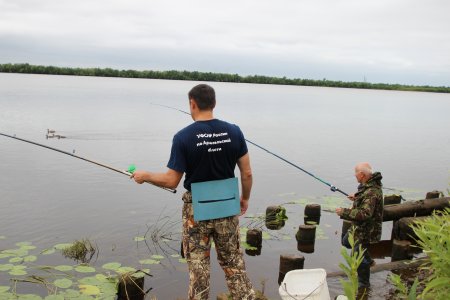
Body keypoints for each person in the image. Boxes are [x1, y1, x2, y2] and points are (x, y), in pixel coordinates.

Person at [131, 84, 256, 300]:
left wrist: (145, 176)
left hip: (196, 210)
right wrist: (244, 198)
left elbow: (171, 181)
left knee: (199, 270)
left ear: (192, 103)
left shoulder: (183, 137)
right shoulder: (235, 131)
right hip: (227, 205)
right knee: (234, 264)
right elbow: (247, 174)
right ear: (214, 103)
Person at [335, 162, 383, 290]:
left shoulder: (372, 191)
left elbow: (365, 213)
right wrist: (357, 197)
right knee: (345, 242)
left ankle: (364, 285)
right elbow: (365, 197)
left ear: (362, 174)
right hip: (359, 227)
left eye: (355, 173)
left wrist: (344, 212)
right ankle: (370, 260)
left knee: (359, 257)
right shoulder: (368, 186)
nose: (354, 176)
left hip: (367, 230)